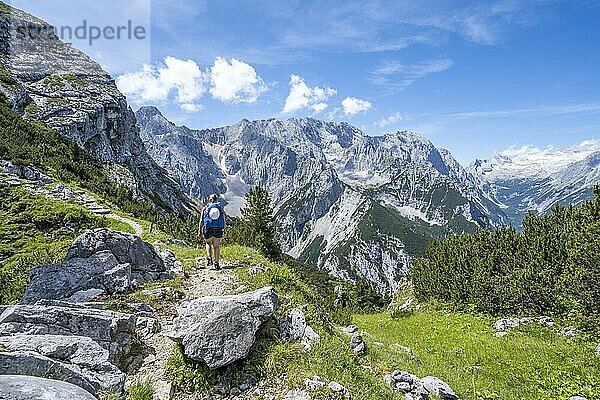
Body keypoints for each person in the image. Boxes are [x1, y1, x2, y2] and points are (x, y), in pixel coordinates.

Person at [198, 194, 227, 269]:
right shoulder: (220, 207)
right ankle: (216, 263)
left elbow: (201, 220)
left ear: (209, 199)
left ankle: (209, 258)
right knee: (216, 246)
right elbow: (224, 216)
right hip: (218, 228)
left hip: (208, 229)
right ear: (216, 199)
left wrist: (200, 231)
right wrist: (224, 227)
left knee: (208, 243)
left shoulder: (205, 208)